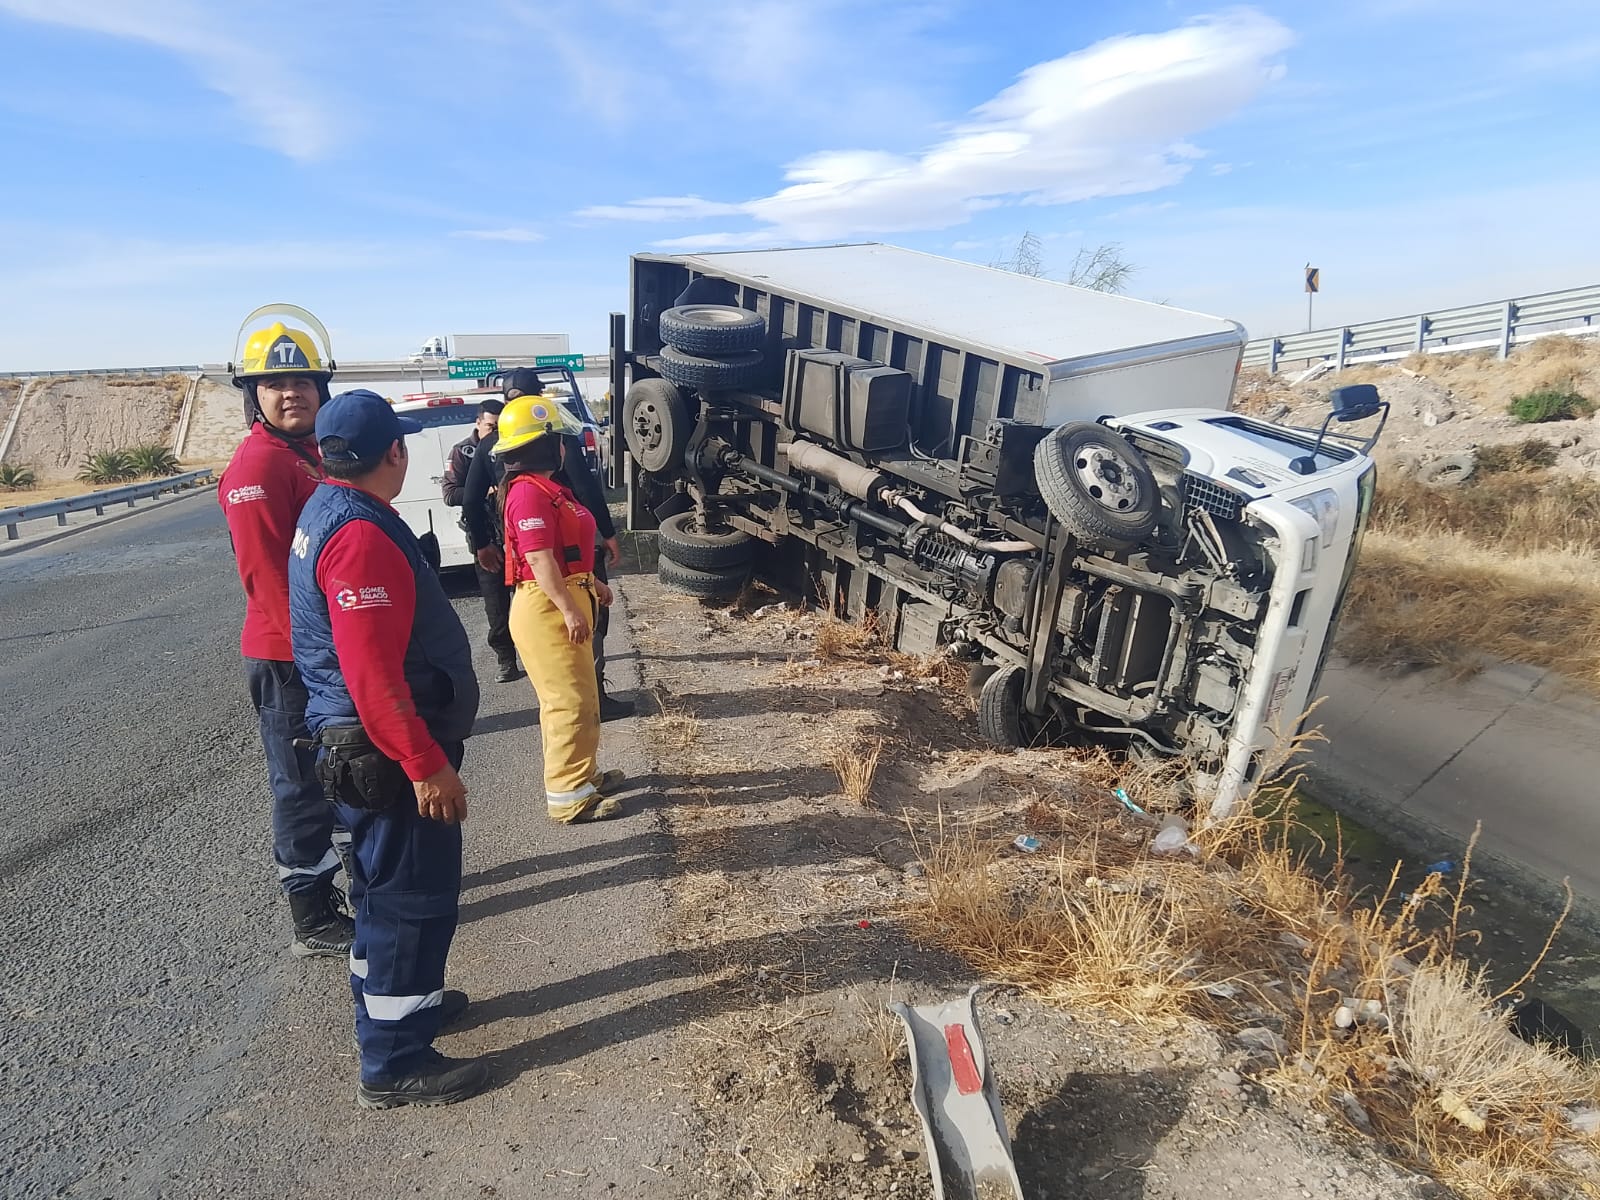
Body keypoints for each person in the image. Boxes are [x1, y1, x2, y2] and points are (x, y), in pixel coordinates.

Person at [287, 389, 486, 1109]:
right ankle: (396, 1060)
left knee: (379, 893)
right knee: (411, 900)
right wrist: (425, 764)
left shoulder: (327, 509)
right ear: (394, 453)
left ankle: (398, 1009)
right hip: (388, 753)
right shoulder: (360, 534)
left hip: (366, 747)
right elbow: (372, 673)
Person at [218, 304, 354, 959]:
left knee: (336, 772)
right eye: (273, 384)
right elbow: (271, 582)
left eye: (302, 381)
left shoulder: (304, 457)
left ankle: (347, 886)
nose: (290, 391)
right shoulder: (259, 469)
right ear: (253, 396)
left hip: (320, 650)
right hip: (290, 658)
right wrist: (326, 659)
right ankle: (313, 917)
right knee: (301, 786)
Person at [463, 368, 635, 721]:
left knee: (509, 612)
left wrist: (482, 544)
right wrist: (609, 534)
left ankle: (508, 662)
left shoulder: (488, 445)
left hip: (510, 549)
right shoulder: (547, 440)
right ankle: (591, 697)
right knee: (581, 630)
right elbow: (586, 491)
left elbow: (470, 500)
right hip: (561, 554)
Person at [494, 394, 626, 823]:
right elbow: (539, 561)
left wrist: (593, 585)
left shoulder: (547, 489)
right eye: (558, 439)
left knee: (583, 697)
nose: (566, 446)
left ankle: (582, 776)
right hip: (547, 607)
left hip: (565, 596)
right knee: (567, 702)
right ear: (545, 446)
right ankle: (569, 795)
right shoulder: (528, 495)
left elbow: (564, 554)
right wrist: (570, 609)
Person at [441, 397, 521, 683]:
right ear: (478, 423)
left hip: (517, 537)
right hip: (485, 537)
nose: (496, 431)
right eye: (491, 426)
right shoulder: (465, 452)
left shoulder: (513, 445)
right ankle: (506, 659)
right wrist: (483, 490)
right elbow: (450, 494)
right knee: (496, 606)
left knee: (527, 602)